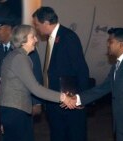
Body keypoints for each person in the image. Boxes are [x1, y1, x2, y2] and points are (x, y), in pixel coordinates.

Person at [0, 24, 77, 141]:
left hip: (11, 111)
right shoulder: (20, 58)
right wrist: (63, 97)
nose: (36, 39)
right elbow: (35, 88)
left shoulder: (14, 55)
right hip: (16, 112)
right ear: (23, 40)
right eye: (33, 37)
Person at [75, 27, 123, 141]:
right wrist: (78, 99)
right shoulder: (116, 66)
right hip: (121, 125)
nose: (108, 45)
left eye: (110, 42)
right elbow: (103, 88)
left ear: (120, 44)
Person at [32, 7, 90, 141]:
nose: (36, 28)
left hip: (69, 103)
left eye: (37, 25)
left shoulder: (68, 37)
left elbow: (81, 69)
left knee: (73, 135)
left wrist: (82, 98)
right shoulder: (52, 38)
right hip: (55, 102)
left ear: (46, 23)